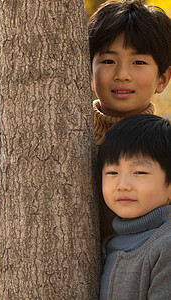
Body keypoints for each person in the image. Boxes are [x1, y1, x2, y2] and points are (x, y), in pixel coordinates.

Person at [87, 0, 171, 239]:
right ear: (89, 74)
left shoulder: (163, 149)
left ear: (163, 79)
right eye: (108, 61)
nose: (122, 74)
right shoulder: (66, 135)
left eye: (139, 62)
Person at [97, 114, 171, 300]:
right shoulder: (108, 244)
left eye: (139, 172)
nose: (123, 185)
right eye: (112, 172)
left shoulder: (165, 246)